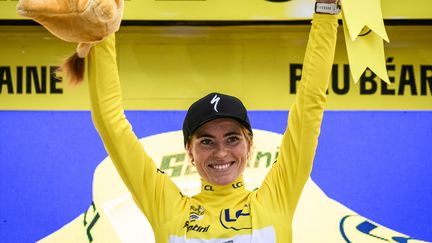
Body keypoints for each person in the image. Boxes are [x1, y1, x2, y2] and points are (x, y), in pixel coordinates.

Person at [86, 0, 339, 242]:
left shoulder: (277, 198)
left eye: (232, 138)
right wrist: (102, 29)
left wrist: (327, 12)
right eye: (206, 141)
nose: (221, 152)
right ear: (190, 151)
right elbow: (110, 121)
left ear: (249, 145)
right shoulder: (168, 209)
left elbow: (309, 108)